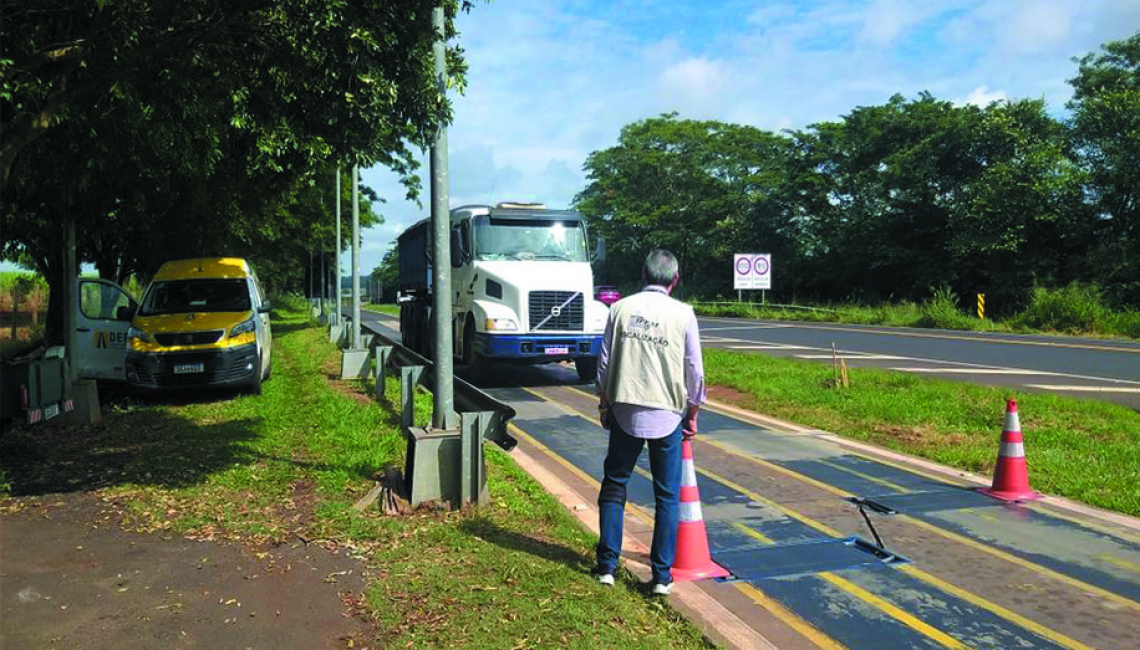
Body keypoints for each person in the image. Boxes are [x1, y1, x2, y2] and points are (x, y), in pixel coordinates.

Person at [593, 249, 705, 596]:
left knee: (614, 485)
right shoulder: (684, 314)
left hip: (625, 409)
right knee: (667, 496)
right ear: (675, 280)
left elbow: (604, 364)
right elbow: (695, 372)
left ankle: (607, 567)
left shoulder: (620, 309)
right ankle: (661, 576)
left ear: (642, 275)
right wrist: (693, 411)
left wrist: (605, 403)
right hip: (668, 415)